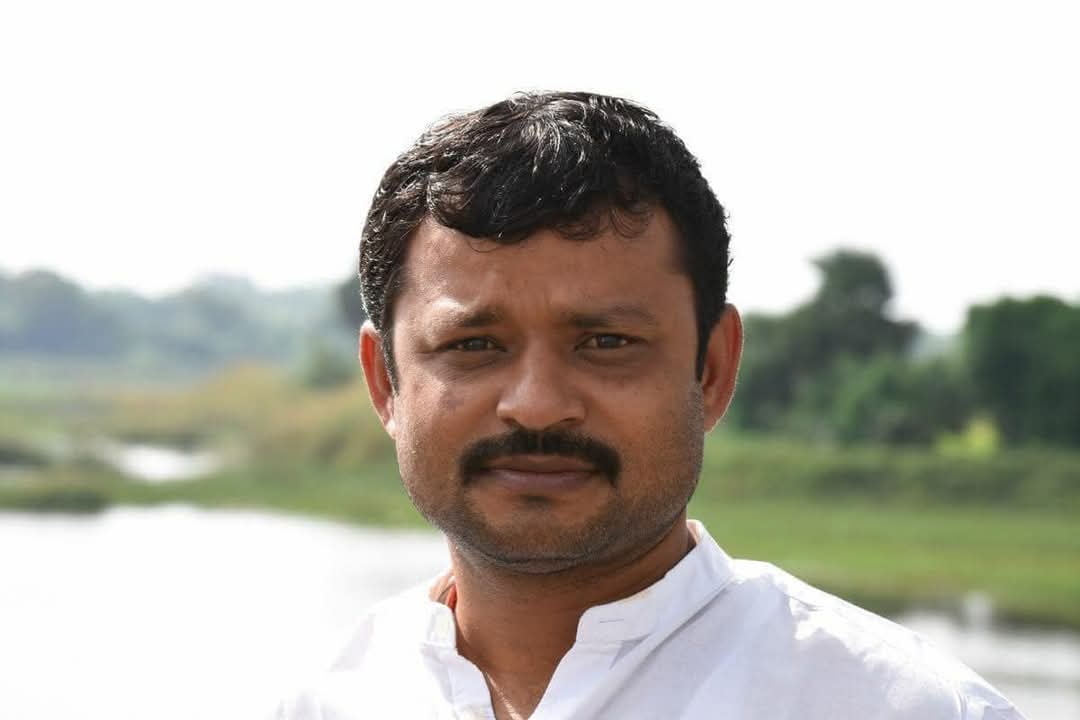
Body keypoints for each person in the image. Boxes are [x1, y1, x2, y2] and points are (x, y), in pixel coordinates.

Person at [276, 91, 1023, 719]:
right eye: (474, 345)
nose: (537, 406)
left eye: (605, 343)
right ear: (385, 383)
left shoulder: (900, 706)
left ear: (712, 369)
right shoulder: (324, 703)